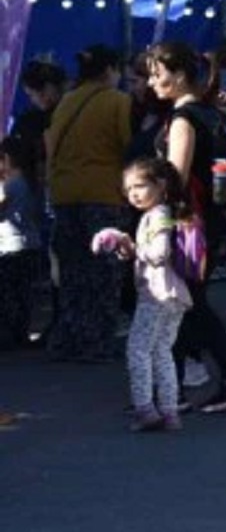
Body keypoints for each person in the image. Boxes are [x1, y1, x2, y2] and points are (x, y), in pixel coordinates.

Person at [146, 42, 226, 414]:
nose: (151, 82)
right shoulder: (210, 113)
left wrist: (154, 210)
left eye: (157, 74)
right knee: (184, 304)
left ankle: (224, 378)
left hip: (187, 222)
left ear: (178, 76)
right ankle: (177, 387)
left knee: (182, 303)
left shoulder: (184, 119)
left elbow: (175, 176)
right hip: (210, 219)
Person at [44, 44, 133, 362]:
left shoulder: (67, 101)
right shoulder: (118, 101)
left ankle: (68, 338)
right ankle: (97, 343)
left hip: (64, 195)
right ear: (110, 70)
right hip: (102, 194)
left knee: (72, 274)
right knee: (103, 274)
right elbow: (128, 145)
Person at [116, 158, 194, 431]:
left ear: (160, 186)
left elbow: (159, 254)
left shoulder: (156, 215)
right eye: (128, 189)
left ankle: (145, 409)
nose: (133, 194)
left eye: (140, 186)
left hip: (157, 293)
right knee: (162, 351)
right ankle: (170, 410)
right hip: (174, 294)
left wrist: (134, 247)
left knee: (138, 350)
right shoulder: (166, 211)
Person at [0, 137, 47, 346]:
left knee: (9, 295)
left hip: (11, 246)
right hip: (32, 244)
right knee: (25, 293)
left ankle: (9, 335)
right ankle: (21, 332)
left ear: (7, 159)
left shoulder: (10, 185)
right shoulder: (33, 183)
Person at [14, 59, 66, 198]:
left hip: (47, 188)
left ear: (48, 88)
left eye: (31, 94)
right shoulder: (73, 110)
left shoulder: (30, 120)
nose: (32, 100)